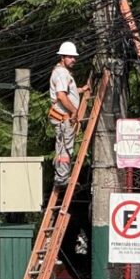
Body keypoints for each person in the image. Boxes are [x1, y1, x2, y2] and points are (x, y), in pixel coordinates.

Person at [48, 41, 88, 187]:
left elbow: (68, 92)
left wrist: (81, 90)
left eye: (74, 57)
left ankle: (61, 176)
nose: (73, 60)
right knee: (65, 148)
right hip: (64, 118)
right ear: (62, 57)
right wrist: (74, 111)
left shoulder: (62, 73)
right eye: (70, 57)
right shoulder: (62, 74)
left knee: (63, 147)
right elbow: (61, 96)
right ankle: (62, 177)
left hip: (62, 118)